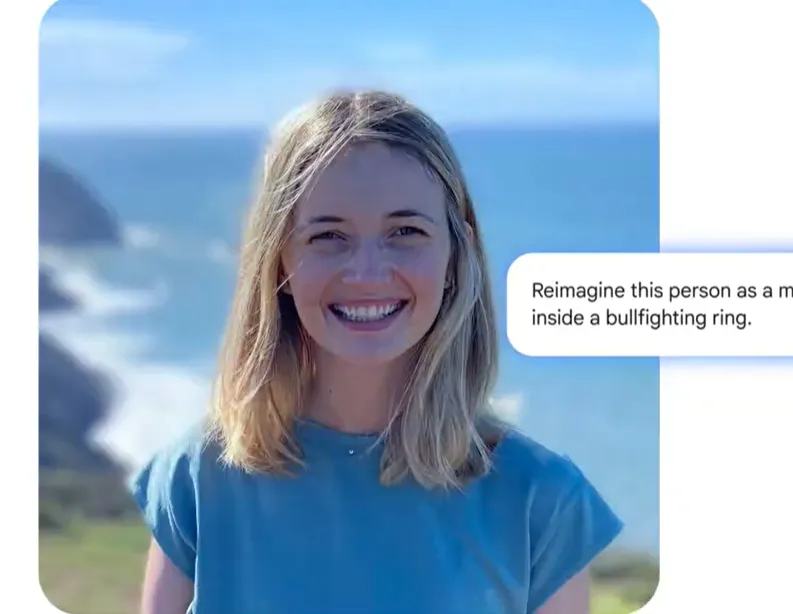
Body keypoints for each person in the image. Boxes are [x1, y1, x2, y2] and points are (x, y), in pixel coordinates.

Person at [131, 89, 623, 614]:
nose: (366, 273)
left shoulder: (540, 501)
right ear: (278, 262)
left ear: (456, 254)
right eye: (328, 237)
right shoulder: (197, 477)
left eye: (405, 232)